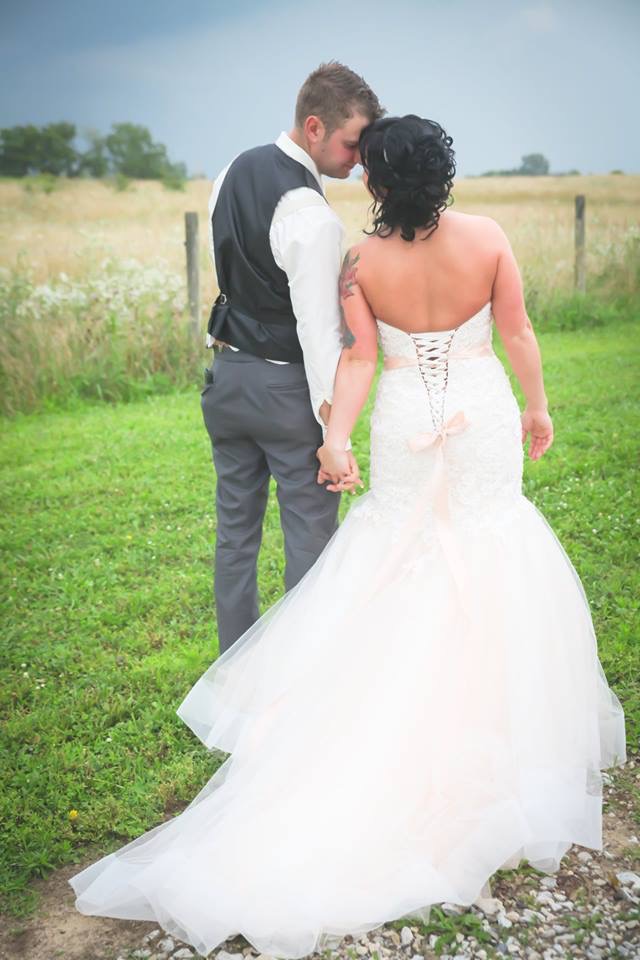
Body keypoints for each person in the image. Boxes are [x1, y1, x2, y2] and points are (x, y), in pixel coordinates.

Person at [69, 115, 626, 960]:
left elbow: (359, 359)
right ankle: (495, 743)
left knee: (398, 558)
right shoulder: (488, 237)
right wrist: (538, 406)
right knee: (489, 546)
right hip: (481, 416)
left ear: (375, 181)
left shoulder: (362, 263)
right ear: (442, 174)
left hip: (402, 421)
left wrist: (336, 437)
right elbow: (516, 332)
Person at [201, 61, 382, 655]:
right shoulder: (311, 215)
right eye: (352, 143)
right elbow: (319, 332)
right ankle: (303, 678)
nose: (358, 159)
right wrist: (334, 433)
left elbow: (231, 271)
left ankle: (234, 668)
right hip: (285, 393)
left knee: (235, 538)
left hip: (227, 380)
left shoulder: (230, 171)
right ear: (314, 127)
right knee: (310, 541)